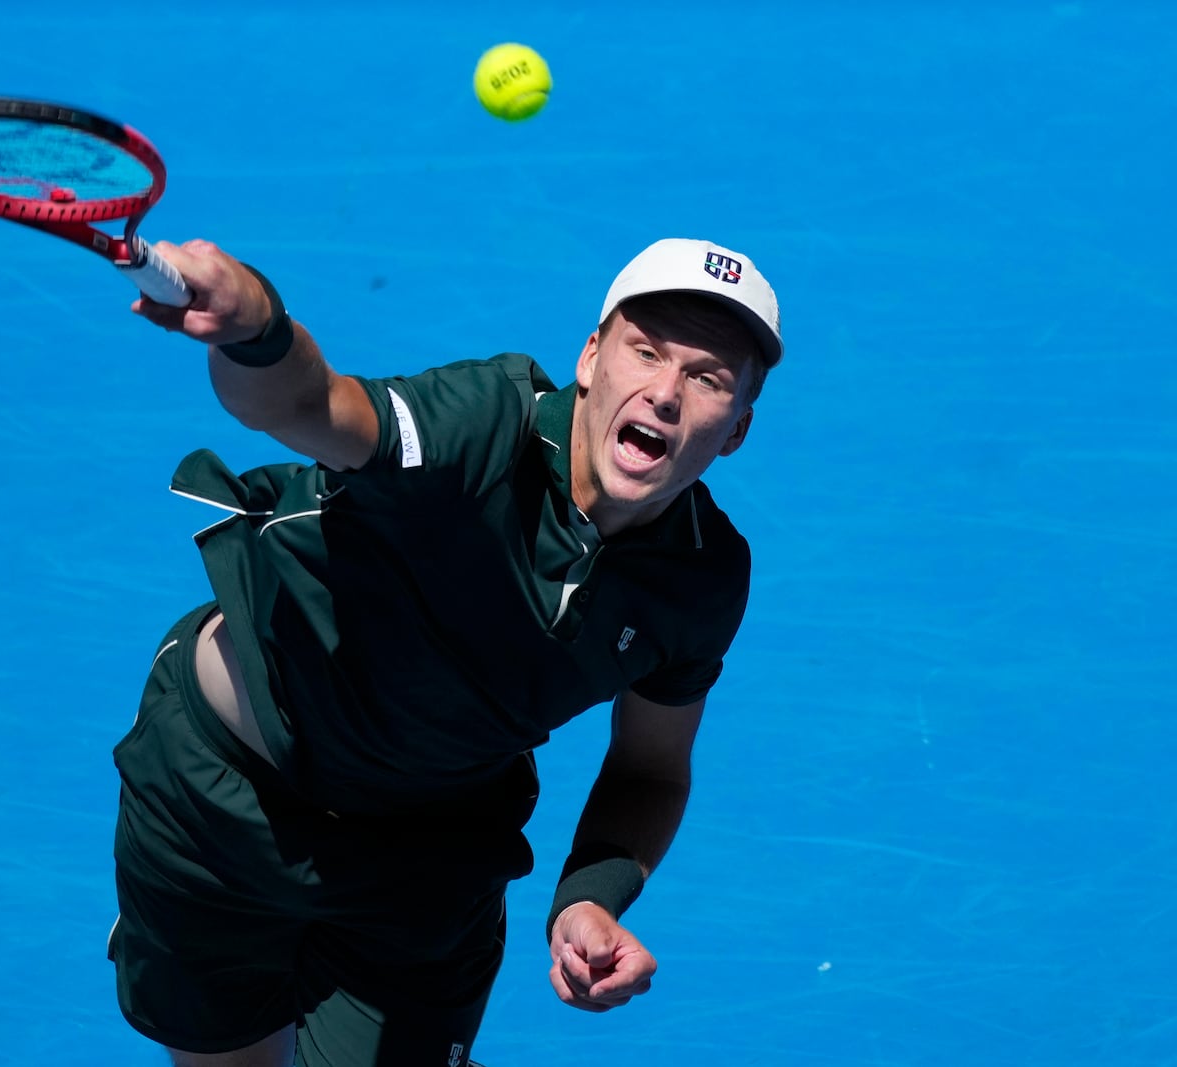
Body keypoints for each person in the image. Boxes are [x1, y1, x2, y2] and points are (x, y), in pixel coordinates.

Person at [106, 236, 783, 1067]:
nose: (665, 392)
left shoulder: (701, 578)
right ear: (591, 356)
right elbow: (312, 405)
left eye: (708, 376)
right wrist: (256, 325)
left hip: (426, 851)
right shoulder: (481, 427)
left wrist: (590, 897)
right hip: (222, 802)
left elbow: (652, 768)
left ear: (739, 428)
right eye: (645, 351)